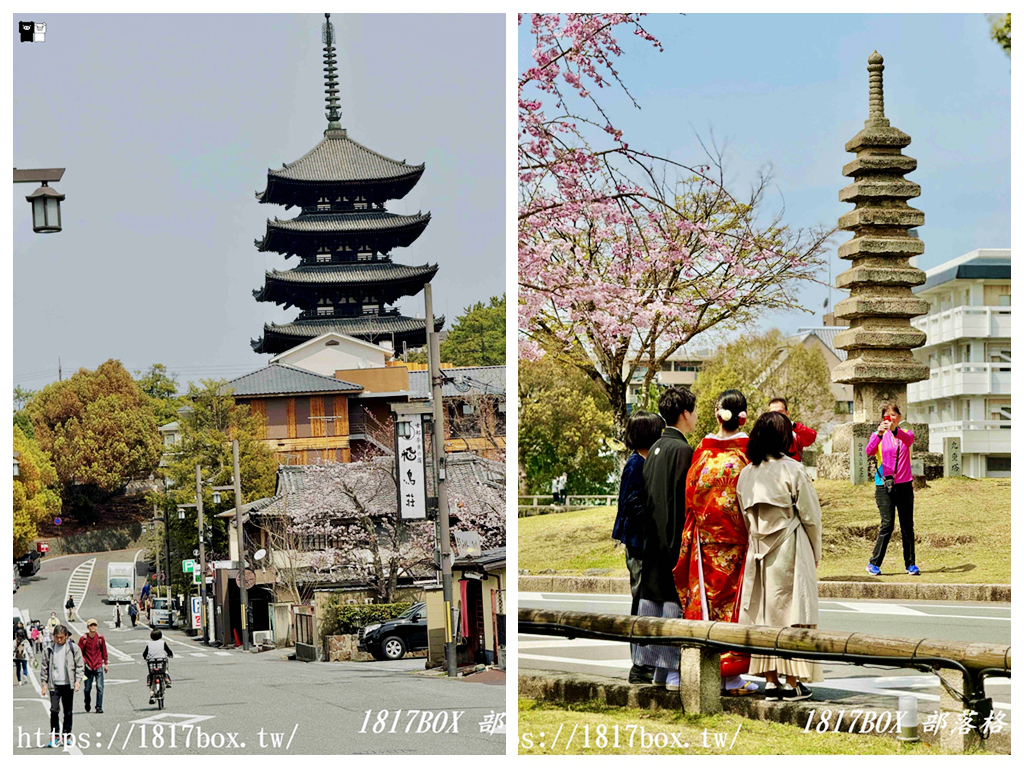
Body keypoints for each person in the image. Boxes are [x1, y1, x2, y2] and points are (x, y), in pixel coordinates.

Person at [673, 389, 756, 696]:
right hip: (738, 543)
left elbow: (690, 495)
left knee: (708, 605)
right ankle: (731, 675)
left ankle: (707, 672)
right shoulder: (748, 455)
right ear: (744, 418)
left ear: (716, 416)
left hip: (705, 543)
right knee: (735, 607)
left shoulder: (702, 454)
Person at [736, 411, 823, 702]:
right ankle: (792, 681)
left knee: (765, 615)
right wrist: (816, 551)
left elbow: (744, 516)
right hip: (791, 545)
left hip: (758, 549)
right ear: (784, 437)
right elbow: (811, 516)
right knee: (795, 612)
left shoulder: (746, 473)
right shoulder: (793, 470)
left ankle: (770, 681)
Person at [637, 387, 698, 691]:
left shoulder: (655, 449)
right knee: (672, 605)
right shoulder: (684, 452)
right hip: (674, 543)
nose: (696, 416)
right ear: (685, 413)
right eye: (694, 411)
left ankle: (658, 670)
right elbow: (685, 502)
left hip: (652, 544)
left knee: (654, 604)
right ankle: (672, 670)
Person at [612, 410, 666, 685]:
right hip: (638, 543)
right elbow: (632, 505)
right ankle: (640, 663)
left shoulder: (646, 460)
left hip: (642, 542)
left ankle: (647, 660)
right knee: (642, 600)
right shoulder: (636, 465)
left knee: (646, 600)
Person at [865, 403, 918, 576]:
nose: (891, 418)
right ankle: (874, 563)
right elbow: (868, 451)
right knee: (887, 524)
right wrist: (878, 435)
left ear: (900, 417)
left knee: (907, 526)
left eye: (894, 414)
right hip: (884, 485)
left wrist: (896, 430)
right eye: (888, 416)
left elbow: (909, 441)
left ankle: (910, 564)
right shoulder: (879, 435)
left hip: (904, 485)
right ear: (882, 419)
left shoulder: (905, 434)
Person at [39, 625, 83, 748]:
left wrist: (78, 680)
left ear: (66, 636)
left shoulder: (73, 648)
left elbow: (80, 665)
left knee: (68, 712)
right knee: (54, 710)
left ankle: (67, 735)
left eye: (61, 637)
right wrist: (44, 683)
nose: (59, 640)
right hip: (54, 685)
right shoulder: (49, 649)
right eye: (57, 637)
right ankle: (55, 735)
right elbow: (44, 667)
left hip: (68, 684)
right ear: (53, 637)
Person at [767, 397, 818, 463]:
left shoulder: (794, 434)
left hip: (792, 470)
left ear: (787, 413)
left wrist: (794, 426)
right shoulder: (764, 432)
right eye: (773, 413)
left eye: (780, 412)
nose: (777, 415)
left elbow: (811, 436)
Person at [78, 619, 109, 714]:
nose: (93, 627)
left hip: (98, 665)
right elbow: (79, 652)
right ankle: (87, 702)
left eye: (94, 625)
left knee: (100, 687)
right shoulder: (83, 639)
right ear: (88, 627)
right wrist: (82, 661)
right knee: (87, 688)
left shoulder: (100, 638)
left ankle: (98, 707)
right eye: (91, 625)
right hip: (87, 667)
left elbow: (104, 650)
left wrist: (106, 663)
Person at [142, 628, 174, 704]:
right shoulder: (163, 643)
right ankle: (166, 678)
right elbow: (168, 651)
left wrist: (145, 657)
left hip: (152, 664)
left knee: (152, 675)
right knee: (165, 668)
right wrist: (170, 655)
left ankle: (152, 693)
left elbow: (144, 654)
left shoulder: (149, 644)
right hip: (161, 662)